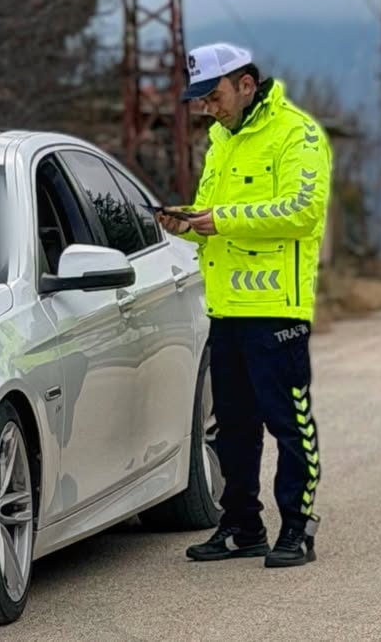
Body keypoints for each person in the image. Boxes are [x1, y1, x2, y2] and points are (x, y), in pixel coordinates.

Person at [156, 42, 333, 568]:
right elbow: (217, 224)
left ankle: (298, 527)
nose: (208, 108)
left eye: (214, 96)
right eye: (202, 101)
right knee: (231, 425)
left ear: (246, 84)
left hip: (276, 309)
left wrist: (221, 219)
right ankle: (241, 526)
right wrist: (187, 223)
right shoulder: (220, 142)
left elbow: (302, 211)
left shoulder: (296, 134)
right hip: (226, 309)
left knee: (288, 420)